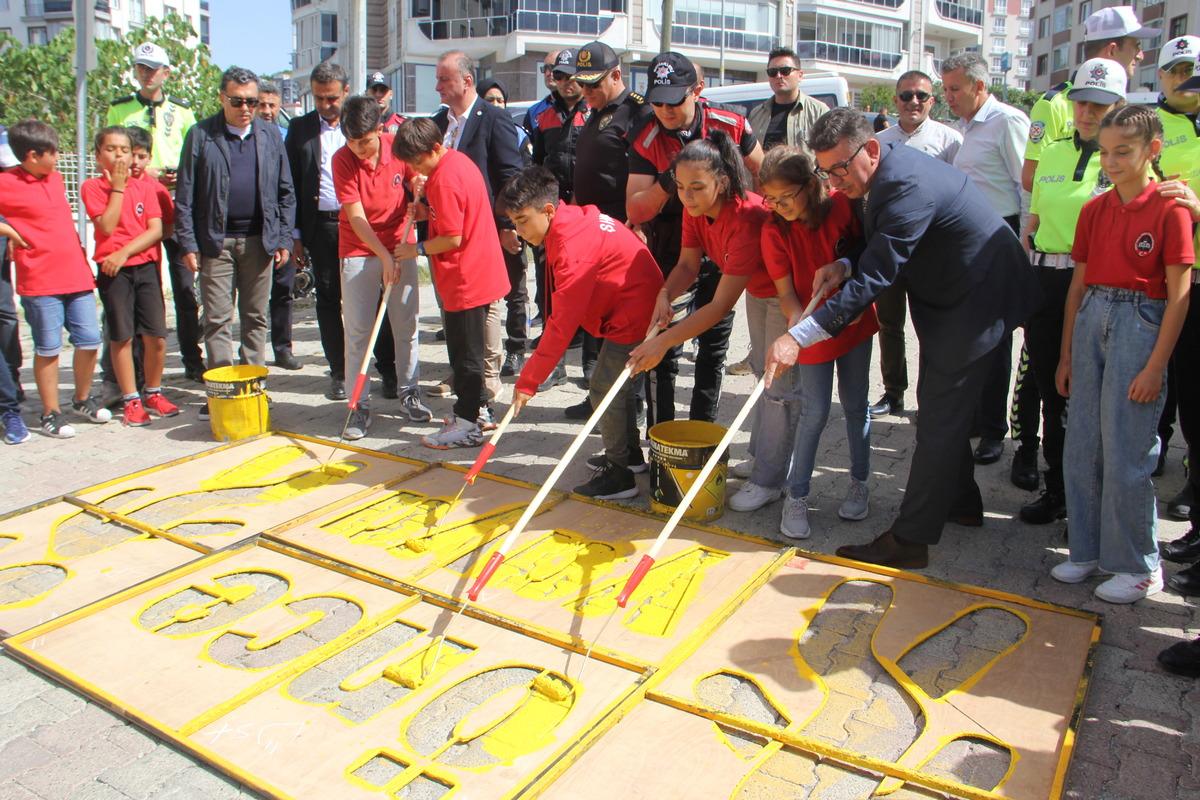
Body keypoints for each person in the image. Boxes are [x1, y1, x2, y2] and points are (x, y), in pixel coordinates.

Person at [763, 109, 1040, 569]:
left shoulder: (904, 185)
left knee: (938, 418)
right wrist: (844, 264)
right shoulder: (881, 172)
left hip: (977, 299)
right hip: (953, 297)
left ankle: (910, 540)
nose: (832, 184)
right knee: (938, 410)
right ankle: (960, 503)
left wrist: (798, 337)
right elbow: (874, 249)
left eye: (838, 170)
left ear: (869, 149)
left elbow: (878, 276)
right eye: (825, 172)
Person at [1052, 106, 1194, 604]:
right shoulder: (1094, 209)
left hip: (1142, 320)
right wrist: (1067, 354)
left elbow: (1178, 295)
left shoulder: (1172, 209)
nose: (1111, 162)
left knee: (1127, 448)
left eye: (1124, 152)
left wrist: (1155, 366)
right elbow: (1078, 285)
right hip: (1093, 315)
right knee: (1082, 441)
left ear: (1152, 150)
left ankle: (1136, 564)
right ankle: (1086, 550)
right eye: (1106, 152)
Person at [501, 166, 663, 499]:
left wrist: (528, 381)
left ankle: (620, 476)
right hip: (629, 299)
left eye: (522, 220)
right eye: (513, 223)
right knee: (613, 384)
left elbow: (561, 325)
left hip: (637, 309)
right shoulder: (569, 219)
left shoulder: (574, 249)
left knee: (604, 385)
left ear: (547, 210)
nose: (518, 231)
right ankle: (630, 456)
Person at [627, 132, 775, 492]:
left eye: (696, 187)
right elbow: (687, 265)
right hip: (755, 289)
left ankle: (773, 479)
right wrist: (665, 293)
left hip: (780, 291)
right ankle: (762, 457)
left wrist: (663, 342)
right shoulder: (695, 209)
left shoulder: (746, 218)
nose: (686, 197)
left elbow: (719, 306)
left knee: (779, 385)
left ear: (722, 182)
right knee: (763, 375)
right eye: (679, 187)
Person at [627, 52, 763, 428]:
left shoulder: (730, 123)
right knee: (664, 349)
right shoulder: (648, 138)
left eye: (675, 100)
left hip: (732, 246)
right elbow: (636, 209)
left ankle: (702, 440)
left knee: (712, 350)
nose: (665, 110)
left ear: (697, 90)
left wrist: (771, 226)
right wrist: (672, 185)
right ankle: (663, 438)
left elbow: (765, 174)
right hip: (676, 243)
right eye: (657, 101)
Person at [1019, 59, 1127, 528]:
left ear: (1118, 107)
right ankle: (1058, 488)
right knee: (1050, 388)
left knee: (1093, 394)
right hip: (1047, 281)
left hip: (1097, 286)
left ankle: (1095, 494)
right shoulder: (1056, 150)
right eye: (1082, 101)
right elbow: (1039, 216)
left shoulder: (1126, 159)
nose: (1087, 112)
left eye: (1100, 105)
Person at [755, 146, 877, 538]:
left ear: (810, 185)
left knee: (857, 405)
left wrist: (850, 283)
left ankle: (859, 482)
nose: (777, 205)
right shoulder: (773, 230)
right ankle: (797, 494)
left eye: (785, 197)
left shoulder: (843, 208)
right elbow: (787, 293)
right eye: (770, 199)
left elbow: (865, 255)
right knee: (814, 412)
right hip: (811, 332)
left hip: (853, 321)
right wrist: (795, 330)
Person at [174, 66, 295, 416]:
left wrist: (284, 236)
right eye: (238, 101)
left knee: (256, 317)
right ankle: (223, 391)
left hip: (260, 241)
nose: (246, 109)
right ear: (221, 98)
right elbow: (185, 196)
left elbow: (286, 192)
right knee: (217, 319)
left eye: (252, 102)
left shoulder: (270, 134)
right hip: (216, 243)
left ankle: (253, 388)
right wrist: (189, 244)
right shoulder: (200, 135)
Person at [393, 119, 510, 449]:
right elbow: (454, 215)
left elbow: (452, 237)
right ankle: (480, 410)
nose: (416, 169)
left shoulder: (444, 179)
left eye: (418, 161)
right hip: (479, 270)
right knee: (471, 349)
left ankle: (468, 422)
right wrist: (425, 212)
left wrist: (414, 249)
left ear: (434, 148)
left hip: (465, 276)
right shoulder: (456, 161)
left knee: (466, 355)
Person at [287, 61, 397, 400]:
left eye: (331, 98)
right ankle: (340, 371)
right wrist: (294, 233)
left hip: (368, 225)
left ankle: (389, 370)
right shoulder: (299, 129)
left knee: (378, 301)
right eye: (318, 98)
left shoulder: (364, 123)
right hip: (322, 226)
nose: (324, 105)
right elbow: (289, 183)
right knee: (329, 299)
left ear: (345, 92)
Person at [943, 52, 1029, 467]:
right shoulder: (965, 127)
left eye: (955, 89)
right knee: (973, 336)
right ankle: (978, 417)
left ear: (980, 86)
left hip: (1001, 238)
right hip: (970, 245)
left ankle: (995, 430)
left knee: (995, 340)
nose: (949, 97)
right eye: (946, 90)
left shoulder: (1007, 121)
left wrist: (1025, 248)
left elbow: (1025, 186)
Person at [0, 120, 112, 438]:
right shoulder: (6, 183)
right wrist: (8, 230)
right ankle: (51, 413)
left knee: (89, 340)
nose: (58, 156)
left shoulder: (56, 178)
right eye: (52, 152)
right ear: (32, 155)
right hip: (39, 280)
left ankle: (81, 399)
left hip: (76, 276)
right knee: (48, 349)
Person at [332, 97, 433, 440]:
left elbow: (417, 177)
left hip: (400, 242)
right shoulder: (342, 160)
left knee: (407, 324)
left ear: (379, 129)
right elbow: (356, 217)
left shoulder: (395, 146)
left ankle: (409, 392)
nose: (359, 149)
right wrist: (383, 255)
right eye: (351, 141)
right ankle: (357, 405)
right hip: (359, 249)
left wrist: (419, 186)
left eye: (365, 141)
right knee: (359, 331)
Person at [869, 70, 963, 422]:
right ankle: (893, 393)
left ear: (932, 101)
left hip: (931, 252)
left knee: (930, 330)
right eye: (906, 96)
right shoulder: (878, 140)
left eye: (921, 96)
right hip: (890, 249)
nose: (913, 102)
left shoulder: (950, 140)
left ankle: (929, 402)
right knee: (888, 325)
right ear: (895, 100)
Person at [107, 42, 203, 382]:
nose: (146, 74)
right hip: (135, 205)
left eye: (153, 68)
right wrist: (146, 172)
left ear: (166, 72)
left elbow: (195, 155)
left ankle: (193, 357)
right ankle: (130, 366)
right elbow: (110, 154)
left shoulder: (183, 111)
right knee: (138, 287)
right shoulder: (120, 110)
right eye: (141, 68)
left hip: (175, 204)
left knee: (185, 287)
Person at [567, 42, 652, 421]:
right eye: (582, 85)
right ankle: (597, 398)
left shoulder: (637, 111)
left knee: (621, 324)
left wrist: (639, 224)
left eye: (593, 84)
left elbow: (644, 172)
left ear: (616, 75)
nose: (586, 92)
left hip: (622, 233)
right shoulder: (594, 110)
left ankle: (628, 407)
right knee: (597, 317)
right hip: (591, 233)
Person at [432, 51, 525, 399]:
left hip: (484, 232)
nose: (437, 86)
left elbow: (508, 176)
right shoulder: (440, 124)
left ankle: (487, 379)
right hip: (448, 233)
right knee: (452, 305)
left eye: (444, 79)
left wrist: (506, 224)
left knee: (486, 305)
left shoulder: (493, 119)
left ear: (467, 81)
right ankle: (462, 372)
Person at [81, 126, 179, 428]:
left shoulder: (147, 187)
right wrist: (119, 187)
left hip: (144, 266)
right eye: (112, 150)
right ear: (99, 156)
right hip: (113, 273)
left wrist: (123, 253)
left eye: (125, 150)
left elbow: (156, 229)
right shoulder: (92, 187)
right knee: (122, 337)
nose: (121, 156)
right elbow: (107, 226)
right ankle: (131, 399)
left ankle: (153, 391)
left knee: (157, 337)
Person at [1021, 5, 1160, 193]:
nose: (1140, 55)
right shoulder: (1055, 103)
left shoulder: (1131, 111)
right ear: (1112, 50)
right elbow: (1032, 179)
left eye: (1100, 105)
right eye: (1136, 46)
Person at [1153, 35, 1200, 517]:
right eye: (1178, 69)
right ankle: (1160, 450)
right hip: (1166, 271)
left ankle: (1193, 481)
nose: (1186, 78)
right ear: (1162, 76)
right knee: (1168, 373)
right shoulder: (1151, 125)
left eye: (1194, 70)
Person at [528, 48, 589, 391]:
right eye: (561, 76)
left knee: (588, 289)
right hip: (550, 216)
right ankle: (555, 363)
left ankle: (593, 372)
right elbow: (536, 165)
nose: (567, 83)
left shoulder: (595, 110)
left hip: (585, 214)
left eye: (574, 77)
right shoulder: (540, 115)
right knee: (549, 290)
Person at [254, 80, 300, 371]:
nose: (267, 110)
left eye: (272, 105)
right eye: (262, 104)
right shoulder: (247, 137)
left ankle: (283, 347)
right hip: (253, 228)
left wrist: (292, 231)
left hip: (283, 225)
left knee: (284, 289)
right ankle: (251, 356)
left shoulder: (288, 135)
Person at [747, 47, 828, 152]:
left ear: (800, 75)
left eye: (785, 71)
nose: (779, 76)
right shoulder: (756, 115)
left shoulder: (819, 112)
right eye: (772, 72)